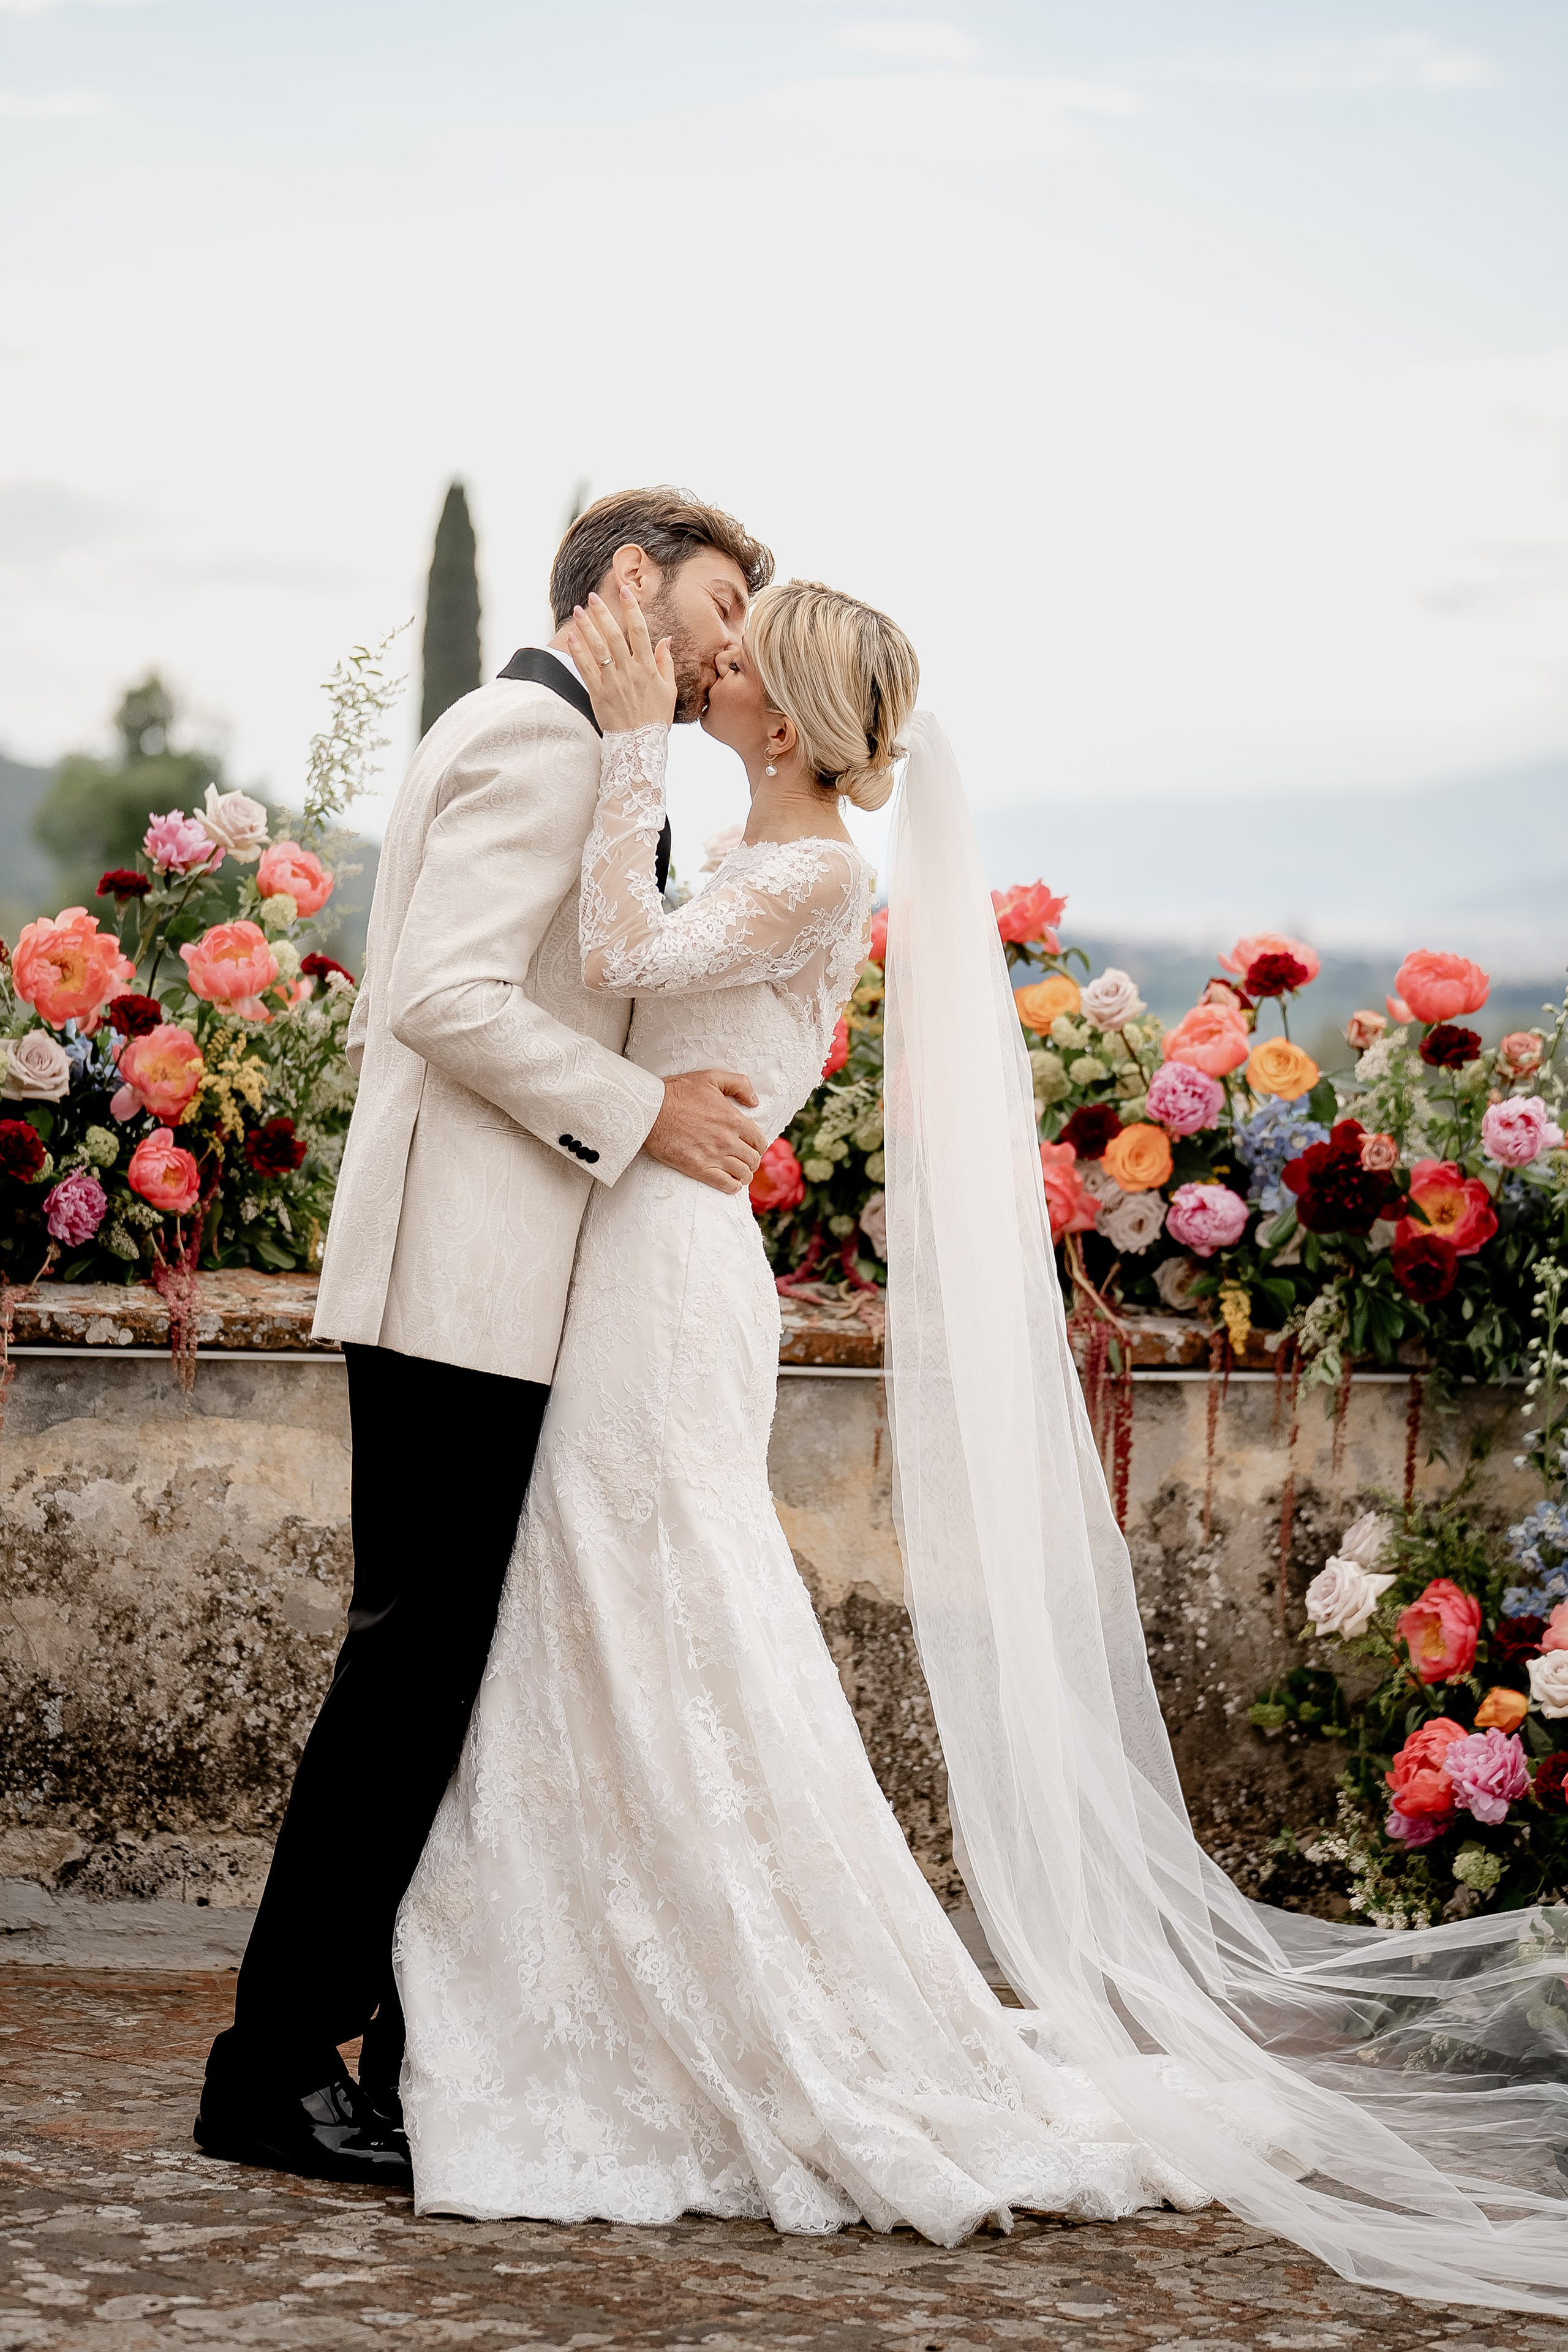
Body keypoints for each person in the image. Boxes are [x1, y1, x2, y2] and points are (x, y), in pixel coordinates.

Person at [394, 581, 1568, 2316]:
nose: (706, 667)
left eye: (733, 660)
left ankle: (711, 1986)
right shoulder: (763, 848)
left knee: (661, 1595)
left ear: (783, 721)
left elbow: (631, 964)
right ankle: (596, 1956)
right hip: (636, 1250)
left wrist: (630, 749)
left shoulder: (815, 871)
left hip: (664, 1272)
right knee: (615, 1600)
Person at [196, 488, 775, 2188]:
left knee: (442, 1674)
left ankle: (389, 2043)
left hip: (497, 1281)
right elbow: (443, 996)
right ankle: (272, 2064)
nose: (740, 637)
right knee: (408, 1678)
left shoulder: (574, 738)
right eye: (725, 600)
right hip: (464, 1277)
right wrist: (642, 1113)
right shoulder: (534, 732)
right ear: (631, 583)